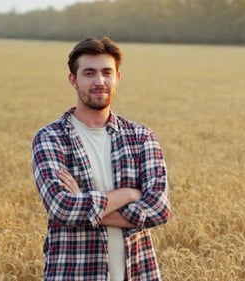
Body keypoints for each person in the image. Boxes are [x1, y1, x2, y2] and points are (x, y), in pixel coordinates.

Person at [31, 36, 170, 281]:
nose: (99, 81)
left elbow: (159, 209)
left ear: (118, 77)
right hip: (73, 274)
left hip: (138, 273)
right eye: (89, 73)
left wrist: (83, 205)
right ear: (73, 80)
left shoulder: (140, 137)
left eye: (107, 72)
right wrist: (129, 194)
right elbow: (62, 207)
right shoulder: (50, 138)